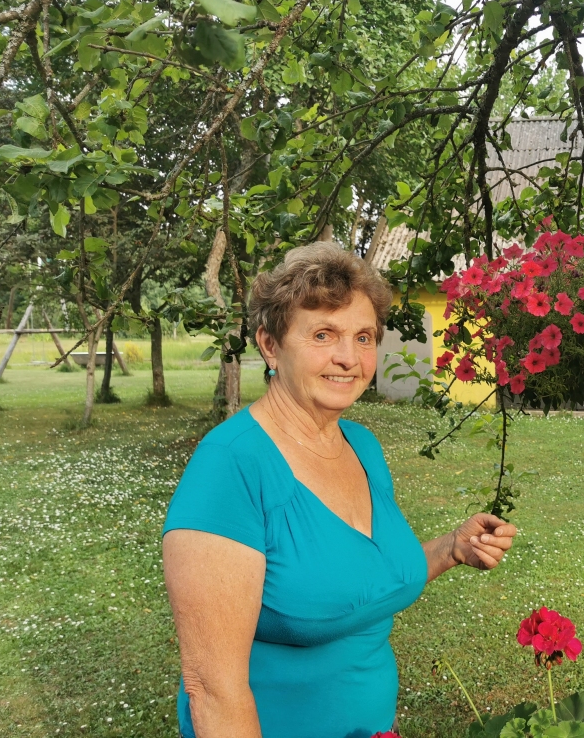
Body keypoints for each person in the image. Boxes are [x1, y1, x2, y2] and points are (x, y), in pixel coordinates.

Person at [162, 243, 517, 738]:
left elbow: (360, 578)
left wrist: (450, 549)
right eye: (324, 334)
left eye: (364, 337)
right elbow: (212, 686)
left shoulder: (361, 445)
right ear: (270, 344)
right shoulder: (232, 467)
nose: (349, 358)